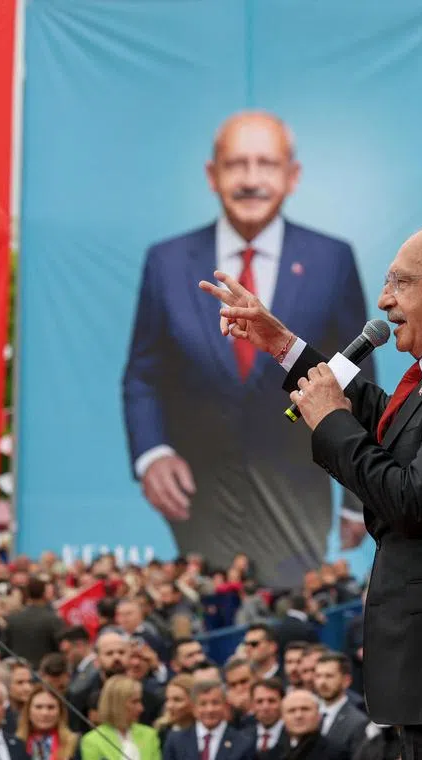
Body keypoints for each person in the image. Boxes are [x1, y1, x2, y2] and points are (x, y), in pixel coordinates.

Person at [200, 219, 422, 760]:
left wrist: (328, 422)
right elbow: (384, 423)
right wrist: (282, 345)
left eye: (398, 282)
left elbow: (413, 500)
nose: (383, 300)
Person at [122, 109, 376, 588]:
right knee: (203, 631)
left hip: (299, 492)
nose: (251, 179)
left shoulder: (331, 260)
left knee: (290, 629)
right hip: (196, 498)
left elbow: (356, 376)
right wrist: (152, 454)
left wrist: (357, 495)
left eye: (267, 164)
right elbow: (143, 374)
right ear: (212, 175)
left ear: (292, 176)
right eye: (237, 164)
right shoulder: (167, 261)